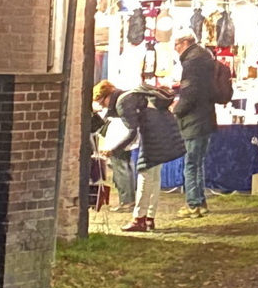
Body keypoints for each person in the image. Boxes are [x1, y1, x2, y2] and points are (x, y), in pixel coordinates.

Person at [118, 87, 186, 232]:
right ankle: (149, 218)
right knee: (154, 178)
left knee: (145, 176)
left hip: (153, 140)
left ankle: (139, 219)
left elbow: (132, 130)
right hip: (164, 137)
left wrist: (116, 149)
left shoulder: (125, 101)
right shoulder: (146, 98)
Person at [170, 30, 219, 218]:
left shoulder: (192, 62)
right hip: (205, 117)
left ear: (184, 43)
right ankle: (201, 202)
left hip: (194, 120)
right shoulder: (205, 57)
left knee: (190, 164)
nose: (175, 49)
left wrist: (176, 110)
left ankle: (193, 204)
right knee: (198, 163)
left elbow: (190, 93)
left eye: (176, 45)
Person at [93, 81, 135, 213]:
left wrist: (112, 146)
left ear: (106, 96)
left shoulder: (118, 106)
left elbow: (121, 128)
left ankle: (127, 202)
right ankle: (129, 200)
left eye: (101, 101)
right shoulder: (122, 100)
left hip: (119, 141)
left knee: (121, 169)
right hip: (124, 141)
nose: (102, 105)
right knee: (126, 168)